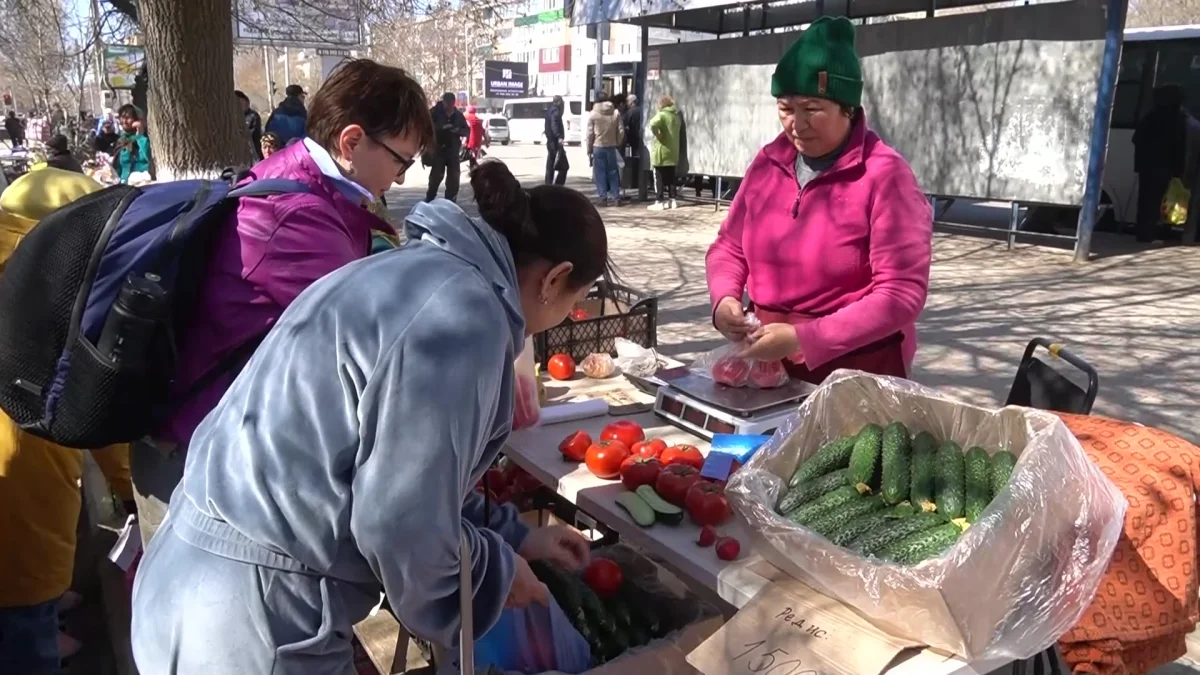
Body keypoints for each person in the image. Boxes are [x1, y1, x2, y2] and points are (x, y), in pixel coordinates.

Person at [131, 159, 608, 674]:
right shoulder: (463, 321)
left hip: (189, 584)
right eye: (576, 299)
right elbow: (400, 521)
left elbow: (402, 472)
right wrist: (492, 573)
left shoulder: (418, 272)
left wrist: (515, 537)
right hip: (250, 620)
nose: (569, 313)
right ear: (554, 278)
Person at [127, 59, 433, 547]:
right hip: (191, 458)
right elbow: (372, 345)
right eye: (401, 160)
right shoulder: (296, 217)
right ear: (352, 142)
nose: (399, 179)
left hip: (209, 440)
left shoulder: (307, 187)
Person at [707, 17, 932, 383]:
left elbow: (901, 293)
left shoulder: (886, 176)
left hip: (857, 368)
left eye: (812, 109)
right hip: (767, 362)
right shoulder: (767, 164)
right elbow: (728, 249)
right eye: (785, 108)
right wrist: (723, 301)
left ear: (848, 108)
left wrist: (805, 338)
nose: (796, 123)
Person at [0, 167, 134, 675]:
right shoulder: (56, 295)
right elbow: (91, 408)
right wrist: (128, 489)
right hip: (27, 505)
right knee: (23, 626)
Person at [1132, 84, 1188, 243]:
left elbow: (1136, 139)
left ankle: (1143, 233)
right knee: (1159, 200)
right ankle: (1151, 234)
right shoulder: (1176, 119)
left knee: (1145, 200)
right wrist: (1178, 170)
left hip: (1147, 166)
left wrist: (1140, 163)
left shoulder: (1150, 117)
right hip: (1164, 167)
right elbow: (1179, 146)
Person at [426, 92, 468, 203]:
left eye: (451, 104)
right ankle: (430, 197)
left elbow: (467, 131)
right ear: (443, 102)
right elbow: (427, 127)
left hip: (453, 151)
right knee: (436, 177)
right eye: (447, 104)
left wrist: (458, 130)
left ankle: (451, 200)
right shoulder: (435, 113)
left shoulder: (458, 115)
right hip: (439, 150)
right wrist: (441, 127)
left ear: (454, 103)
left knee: (453, 178)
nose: (449, 106)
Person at [587, 93, 624, 206]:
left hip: (598, 146)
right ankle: (616, 197)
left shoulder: (592, 115)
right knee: (613, 172)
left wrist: (589, 149)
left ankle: (603, 198)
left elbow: (589, 134)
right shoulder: (615, 113)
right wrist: (617, 142)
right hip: (611, 146)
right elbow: (621, 130)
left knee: (600, 173)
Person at [648, 95, 681, 211]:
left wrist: (657, 134)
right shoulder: (676, 117)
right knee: (671, 177)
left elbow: (652, 123)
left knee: (659, 177)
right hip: (673, 152)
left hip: (661, 151)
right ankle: (673, 200)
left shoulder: (662, 115)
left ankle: (659, 201)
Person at [112, 104, 151, 183]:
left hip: (142, 182)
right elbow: (118, 166)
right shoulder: (122, 140)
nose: (124, 121)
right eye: (122, 118)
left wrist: (140, 134)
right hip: (124, 183)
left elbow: (148, 156)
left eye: (128, 118)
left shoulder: (146, 138)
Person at [544, 95, 568, 185]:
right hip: (555, 142)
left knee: (551, 165)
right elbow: (554, 124)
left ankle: (548, 184)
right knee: (564, 166)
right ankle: (558, 185)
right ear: (558, 102)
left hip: (550, 141)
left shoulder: (549, 110)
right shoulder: (555, 111)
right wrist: (559, 137)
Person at [235, 89, 264, 160]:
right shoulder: (233, 117)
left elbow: (254, 134)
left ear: (246, 102)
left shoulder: (253, 116)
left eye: (241, 103)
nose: (239, 106)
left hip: (252, 150)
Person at [623, 94, 642, 191]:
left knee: (634, 160)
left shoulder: (629, 113)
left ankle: (635, 181)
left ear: (631, 102)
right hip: (641, 139)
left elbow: (626, 127)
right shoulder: (641, 111)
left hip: (633, 139)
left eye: (627, 102)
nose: (626, 104)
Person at [464, 105, 488, 170]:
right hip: (478, 141)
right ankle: (474, 167)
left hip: (471, 141)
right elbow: (483, 131)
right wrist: (486, 141)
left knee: (471, 156)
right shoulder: (478, 119)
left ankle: (475, 169)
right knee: (474, 156)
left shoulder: (467, 117)